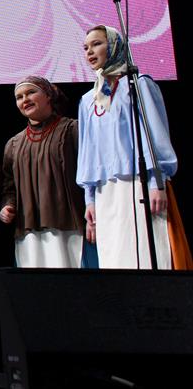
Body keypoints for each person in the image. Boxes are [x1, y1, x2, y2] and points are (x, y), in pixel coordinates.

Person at [77, 25, 190, 269]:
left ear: (115, 46)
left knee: (148, 252)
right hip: (105, 192)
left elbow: (154, 135)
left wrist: (157, 182)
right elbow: (88, 152)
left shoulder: (138, 85)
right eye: (85, 47)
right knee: (115, 258)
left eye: (97, 44)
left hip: (139, 182)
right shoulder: (88, 100)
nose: (89, 52)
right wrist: (90, 199)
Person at [0, 76, 94, 268]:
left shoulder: (72, 130)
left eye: (31, 92)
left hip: (70, 227)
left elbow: (90, 172)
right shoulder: (14, 144)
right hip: (29, 231)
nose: (25, 99)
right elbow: (9, 187)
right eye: (19, 97)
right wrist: (8, 206)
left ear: (48, 96)